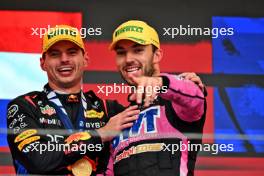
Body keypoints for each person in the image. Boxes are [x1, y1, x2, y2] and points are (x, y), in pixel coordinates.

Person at [6, 25, 140, 175]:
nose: (64, 59)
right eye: (55, 54)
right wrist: (100, 135)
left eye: (72, 52)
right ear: (42, 63)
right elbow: (37, 159)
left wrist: (157, 83)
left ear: (85, 59)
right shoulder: (25, 106)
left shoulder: (108, 109)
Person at [104, 20, 207, 176]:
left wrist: (160, 82)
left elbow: (194, 97)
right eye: (121, 52)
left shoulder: (176, 101)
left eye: (137, 50)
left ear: (157, 55)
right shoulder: (118, 120)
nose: (128, 59)